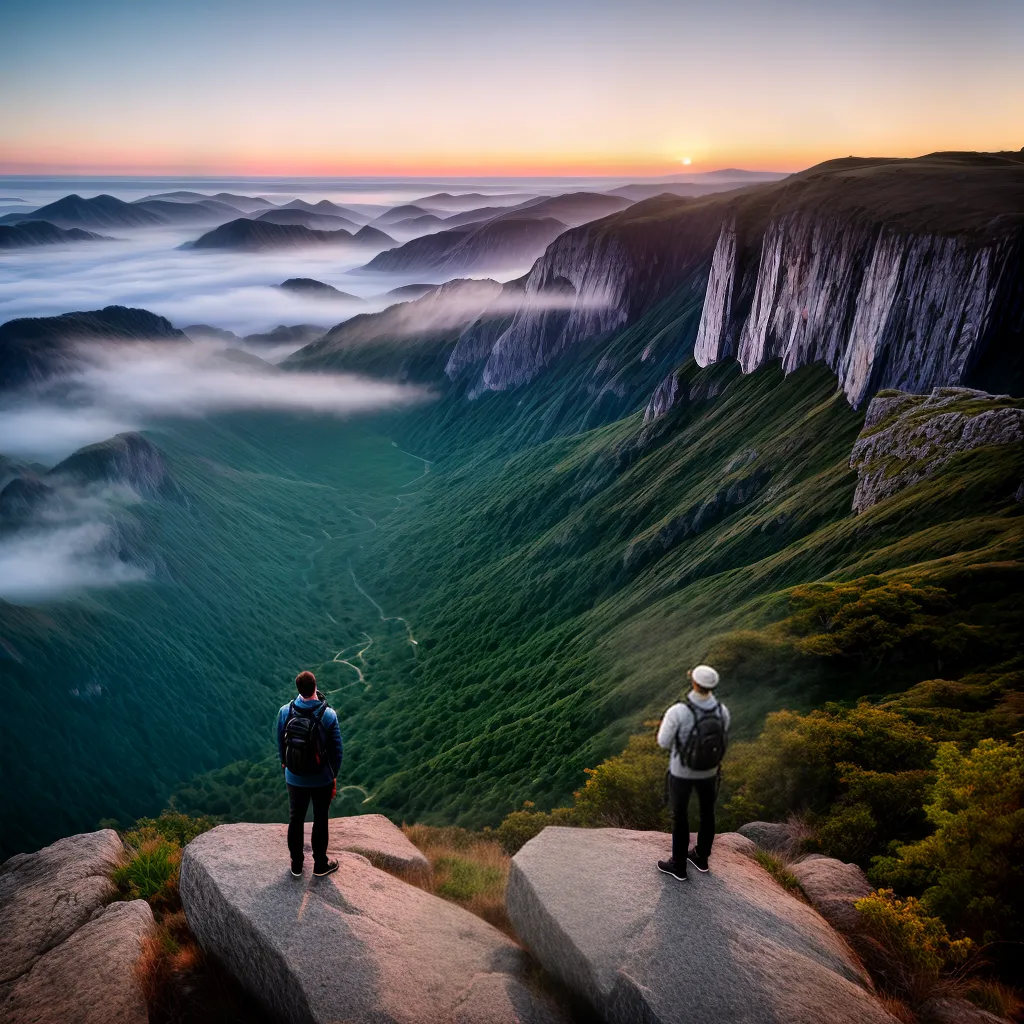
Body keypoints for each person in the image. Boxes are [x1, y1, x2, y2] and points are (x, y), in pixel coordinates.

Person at [655, 663, 730, 881]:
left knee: (680, 817)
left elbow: (663, 742)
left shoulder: (679, 711)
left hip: (682, 773)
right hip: (709, 772)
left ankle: (678, 866)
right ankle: (701, 857)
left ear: (694, 683)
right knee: (708, 814)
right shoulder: (722, 711)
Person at [276, 670, 344, 878]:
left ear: (298, 689)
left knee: (295, 818)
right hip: (321, 778)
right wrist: (332, 775)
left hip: (294, 776)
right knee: (320, 819)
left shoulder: (285, 712)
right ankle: (320, 865)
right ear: (316, 687)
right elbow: (337, 750)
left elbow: (281, 743)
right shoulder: (328, 715)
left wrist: (286, 765)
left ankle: (296, 865)